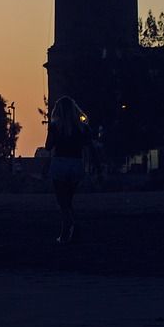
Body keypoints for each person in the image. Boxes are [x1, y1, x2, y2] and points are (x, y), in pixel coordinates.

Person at [45, 95, 99, 244]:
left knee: (62, 201)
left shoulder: (56, 126)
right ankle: (72, 228)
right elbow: (90, 147)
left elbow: (48, 146)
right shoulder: (82, 127)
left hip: (60, 164)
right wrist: (96, 168)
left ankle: (66, 230)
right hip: (76, 164)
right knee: (68, 200)